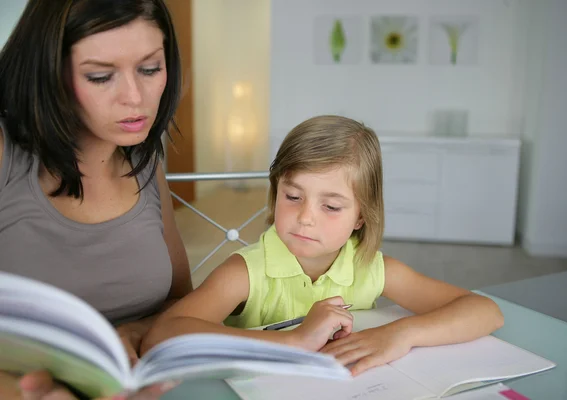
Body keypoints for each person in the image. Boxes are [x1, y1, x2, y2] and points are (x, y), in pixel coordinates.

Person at [142, 115, 505, 376]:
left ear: (362, 216)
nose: (305, 217)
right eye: (293, 196)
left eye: (330, 206)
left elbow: (486, 311)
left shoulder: (374, 269)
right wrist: (295, 340)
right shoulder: (245, 273)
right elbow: (161, 335)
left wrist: (401, 334)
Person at [0, 0, 193, 398]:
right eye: (101, 76)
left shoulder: (145, 161)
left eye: (150, 68)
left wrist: (136, 332)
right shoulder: (4, 154)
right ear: (49, 74)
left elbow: (179, 300)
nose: (135, 97)